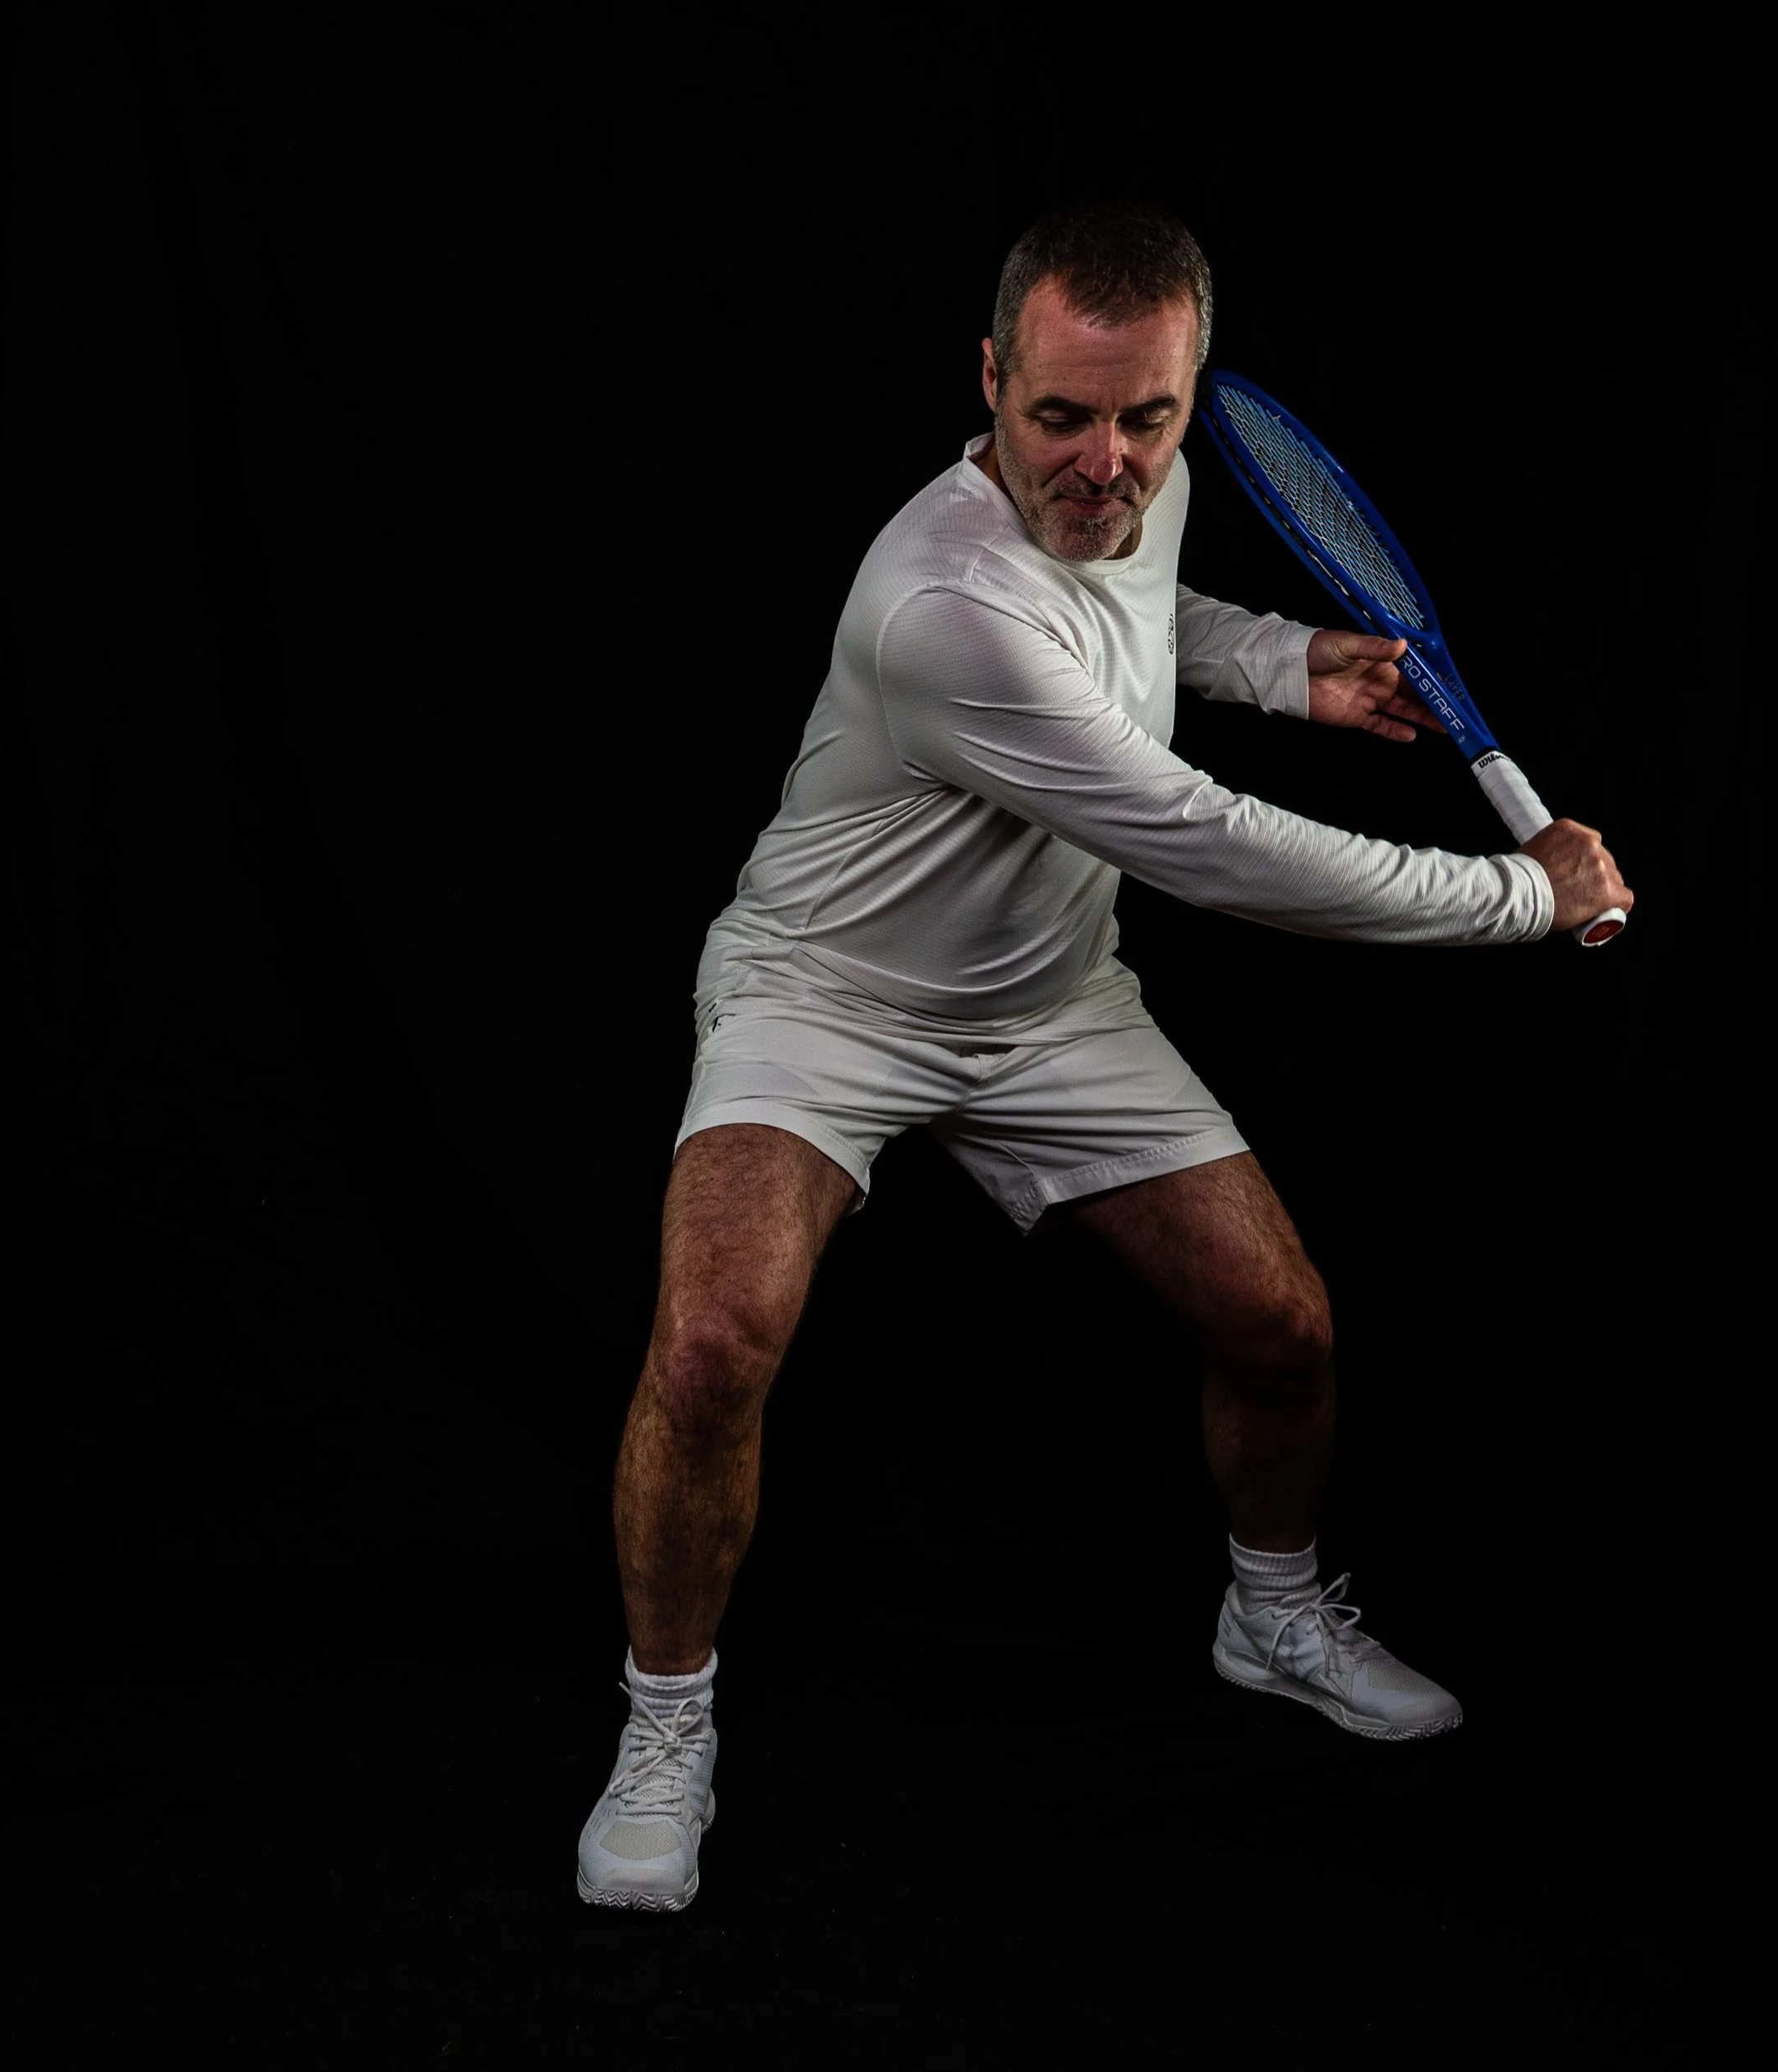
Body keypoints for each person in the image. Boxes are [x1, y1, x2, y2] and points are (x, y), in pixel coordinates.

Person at [575, 199, 1632, 1913]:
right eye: (1059, 415)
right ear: (988, 381)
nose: (1104, 460)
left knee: (1280, 1323)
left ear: (1180, 391)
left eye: (1146, 416)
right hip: (823, 996)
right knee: (706, 1347)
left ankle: (1267, 1611)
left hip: (1050, 998)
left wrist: (1287, 663)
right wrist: (1516, 894)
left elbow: (1143, 623)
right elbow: (1206, 840)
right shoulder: (940, 603)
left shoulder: (1141, 478)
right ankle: (660, 1722)